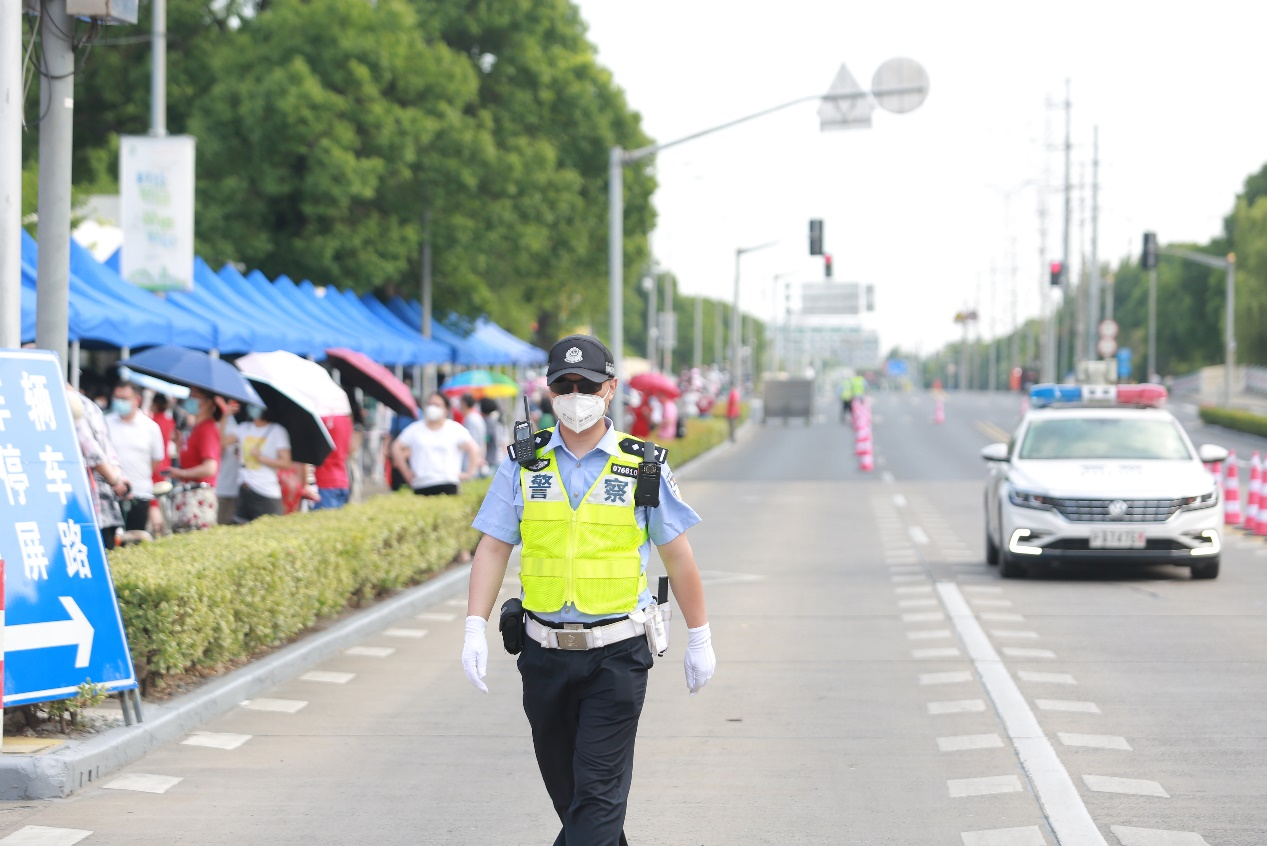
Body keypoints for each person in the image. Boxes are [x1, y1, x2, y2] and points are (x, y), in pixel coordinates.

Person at [462, 334, 716, 846]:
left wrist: (701, 635)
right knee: (576, 803)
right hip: (542, 653)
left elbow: (678, 554)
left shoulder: (641, 463)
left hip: (616, 655)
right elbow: (492, 548)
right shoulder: (524, 460)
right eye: (564, 384)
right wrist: (473, 627)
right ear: (549, 390)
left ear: (610, 389)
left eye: (587, 384)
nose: (575, 394)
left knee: (596, 801)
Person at [70, 385, 127, 550]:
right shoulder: (89, 405)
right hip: (103, 501)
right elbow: (106, 450)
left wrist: (114, 479)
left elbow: (91, 450)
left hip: (89, 502)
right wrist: (116, 476)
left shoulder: (69, 403)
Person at [391, 392, 482, 496]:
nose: (432, 408)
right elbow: (396, 447)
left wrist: (469, 473)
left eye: (437, 405)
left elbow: (474, 449)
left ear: (445, 410)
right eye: (430, 404)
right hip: (421, 484)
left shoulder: (455, 429)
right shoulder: (415, 429)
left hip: (448, 483)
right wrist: (406, 473)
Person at [104, 381, 164, 535]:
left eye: (125, 398)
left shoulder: (150, 427)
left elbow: (156, 459)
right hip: (110, 494)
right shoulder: (106, 423)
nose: (119, 402)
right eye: (117, 397)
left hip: (140, 493)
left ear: (137, 400)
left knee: (136, 540)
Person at [222, 405, 292, 522]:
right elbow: (221, 442)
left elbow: (286, 462)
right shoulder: (244, 427)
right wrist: (225, 417)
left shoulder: (277, 431)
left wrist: (261, 458)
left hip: (266, 491)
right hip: (244, 488)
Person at [313, 412, 353, 510]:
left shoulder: (322, 420)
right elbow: (350, 449)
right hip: (343, 479)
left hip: (326, 481)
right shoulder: (346, 420)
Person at [215, 400, 243, 525]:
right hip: (221, 488)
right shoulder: (218, 424)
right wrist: (225, 416)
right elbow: (218, 446)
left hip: (238, 488)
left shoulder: (241, 425)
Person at [459, 393, 488, 476]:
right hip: (476, 461)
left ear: (464, 404)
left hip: (471, 464)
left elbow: (472, 442)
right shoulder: (477, 417)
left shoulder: (471, 419)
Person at [480, 397, 506, 474]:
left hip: (492, 460)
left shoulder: (488, 422)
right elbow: (504, 442)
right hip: (502, 459)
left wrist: (483, 458)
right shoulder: (500, 422)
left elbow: (486, 441)